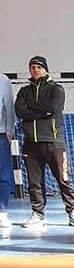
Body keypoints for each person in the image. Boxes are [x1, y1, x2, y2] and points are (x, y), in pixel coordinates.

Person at [14, 55, 74, 230]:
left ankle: (73, 212)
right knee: (34, 182)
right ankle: (37, 214)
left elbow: (52, 109)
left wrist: (32, 109)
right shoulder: (24, 91)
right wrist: (41, 112)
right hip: (31, 143)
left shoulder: (56, 89)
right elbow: (20, 111)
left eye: (38, 67)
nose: (35, 70)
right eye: (32, 67)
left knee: (63, 178)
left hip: (54, 142)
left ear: (45, 69)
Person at [0, 71, 14, 233]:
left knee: (2, 174)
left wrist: (10, 129)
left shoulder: (3, 80)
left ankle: (2, 212)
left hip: (1, 134)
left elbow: (9, 105)